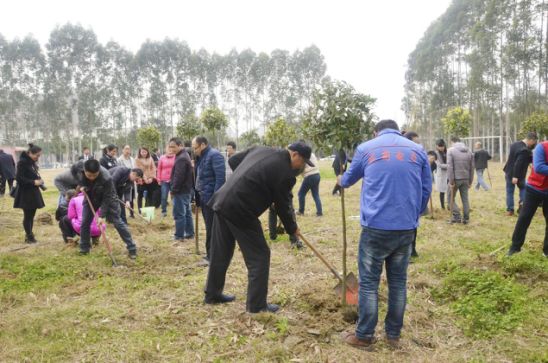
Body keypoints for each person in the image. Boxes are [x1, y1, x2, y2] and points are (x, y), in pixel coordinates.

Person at [337, 120, 431, 350]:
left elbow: (348, 180)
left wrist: (340, 178)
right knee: (398, 283)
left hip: (375, 228)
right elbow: (426, 188)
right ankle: (393, 336)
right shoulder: (417, 150)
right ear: (399, 131)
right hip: (407, 228)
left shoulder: (367, 148)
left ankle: (365, 336)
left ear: (376, 132)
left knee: (369, 283)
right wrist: (413, 213)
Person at [204, 142, 311, 314]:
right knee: (260, 255)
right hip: (241, 209)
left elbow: (234, 162)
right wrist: (293, 229)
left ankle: (212, 294)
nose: (301, 166)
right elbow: (284, 206)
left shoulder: (261, 149)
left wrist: (250, 183)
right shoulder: (286, 174)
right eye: (303, 161)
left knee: (221, 251)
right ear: (294, 154)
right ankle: (257, 305)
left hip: (222, 200)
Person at [72, 159, 138, 258]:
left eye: (95, 175)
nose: (92, 177)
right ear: (84, 170)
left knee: (118, 222)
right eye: (89, 175)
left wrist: (101, 216)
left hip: (108, 198)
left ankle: (132, 248)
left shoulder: (106, 177)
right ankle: (84, 249)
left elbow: (106, 199)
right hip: (91, 195)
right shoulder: (77, 166)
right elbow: (73, 172)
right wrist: (81, 185)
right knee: (85, 222)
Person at [507, 139, 548, 258]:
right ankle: (515, 248)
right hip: (534, 189)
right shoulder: (542, 147)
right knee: (524, 218)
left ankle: (547, 251)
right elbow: (539, 167)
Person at [193, 136, 225, 266]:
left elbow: (220, 179)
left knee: (212, 229)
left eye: (195, 148)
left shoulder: (215, 156)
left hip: (211, 199)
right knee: (209, 228)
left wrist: (215, 199)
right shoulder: (201, 157)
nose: (194, 150)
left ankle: (212, 258)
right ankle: (210, 255)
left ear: (203, 145)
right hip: (203, 197)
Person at [13, 144, 46, 244]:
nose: (38, 157)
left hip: (33, 192)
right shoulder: (22, 163)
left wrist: (38, 181)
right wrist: (33, 182)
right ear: (30, 153)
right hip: (25, 193)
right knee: (27, 216)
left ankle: (30, 235)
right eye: (37, 155)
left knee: (31, 215)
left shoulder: (32, 163)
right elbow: (19, 179)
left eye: (39, 155)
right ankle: (29, 236)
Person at [168, 138, 194, 241]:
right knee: (187, 213)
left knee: (179, 214)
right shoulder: (183, 155)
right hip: (185, 190)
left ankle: (179, 236)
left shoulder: (181, 158)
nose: (172, 149)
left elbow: (178, 177)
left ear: (180, 145)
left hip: (180, 191)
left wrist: (173, 191)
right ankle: (190, 233)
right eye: (170, 147)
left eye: (173, 147)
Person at [504, 133, 538, 215]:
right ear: (531, 140)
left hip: (508, 171)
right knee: (523, 189)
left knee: (509, 192)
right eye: (534, 142)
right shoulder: (524, 150)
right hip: (518, 174)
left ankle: (510, 210)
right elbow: (518, 164)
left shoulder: (514, 144)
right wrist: (515, 176)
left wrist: (530, 152)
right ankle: (522, 203)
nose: (533, 144)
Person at [447, 137, 474, 224]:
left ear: (452, 142)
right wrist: (470, 181)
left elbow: (450, 166)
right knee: (465, 199)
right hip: (466, 178)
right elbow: (472, 167)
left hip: (455, 179)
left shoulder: (450, 150)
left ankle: (457, 216)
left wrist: (451, 181)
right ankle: (466, 218)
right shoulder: (469, 151)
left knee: (450, 198)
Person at [297, 152, 322, 217]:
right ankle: (319, 212)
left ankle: (301, 211)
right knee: (316, 195)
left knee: (301, 194)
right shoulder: (312, 154)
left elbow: (301, 167)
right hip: (317, 175)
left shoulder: (303, 154)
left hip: (310, 176)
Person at [117, 145, 136, 218]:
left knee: (130, 197)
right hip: (123, 182)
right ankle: (122, 214)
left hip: (131, 181)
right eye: (126, 149)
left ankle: (132, 213)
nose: (127, 151)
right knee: (122, 198)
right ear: (122, 150)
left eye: (129, 149)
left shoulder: (132, 159)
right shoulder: (119, 160)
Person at [157, 145, 176, 218]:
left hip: (173, 180)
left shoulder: (175, 157)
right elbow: (159, 169)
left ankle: (175, 212)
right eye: (169, 148)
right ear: (166, 149)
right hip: (164, 180)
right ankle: (164, 211)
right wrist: (159, 179)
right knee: (164, 197)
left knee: (174, 197)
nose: (170, 150)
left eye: (172, 148)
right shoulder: (162, 158)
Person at [435, 139, 449, 210]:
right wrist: (449, 166)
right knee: (442, 191)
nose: (441, 148)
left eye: (442, 146)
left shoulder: (449, 151)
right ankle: (442, 206)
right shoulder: (436, 154)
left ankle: (449, 205)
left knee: (450, 190)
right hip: (442, 174)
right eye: (439, 146)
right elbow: (439, 164)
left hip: (449, 174)